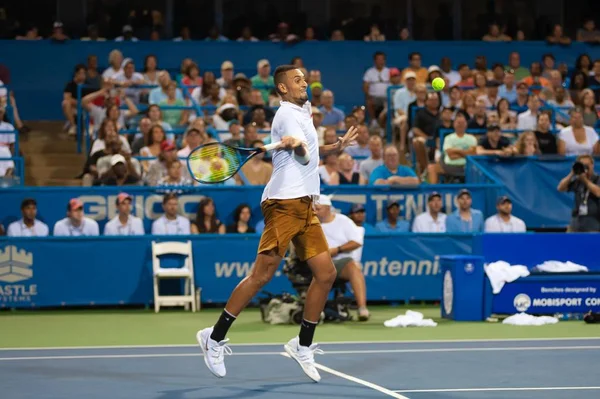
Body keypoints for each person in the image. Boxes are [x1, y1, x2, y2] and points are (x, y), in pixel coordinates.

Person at [196, 65, 358, 382]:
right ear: (282, 88)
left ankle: (302, 345)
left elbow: (308, 152)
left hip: (306, 204)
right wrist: (294, 146)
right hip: (283, 203)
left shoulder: (304, 110)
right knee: (261, 276)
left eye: (304, 79)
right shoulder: (284, 115)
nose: (304, 82)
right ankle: (213, 338)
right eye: (297, 80)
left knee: (326, 274)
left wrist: (333, 147)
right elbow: (300, 155)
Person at [314, 195, 369, 321]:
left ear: (328, 208)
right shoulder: (311, 223)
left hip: (339, 263)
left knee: (352, 266)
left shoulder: (343, 221)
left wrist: (337, 250)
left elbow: (357, 242)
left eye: (318, 209)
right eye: (314, 209)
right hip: (317, 264)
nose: (315, 212)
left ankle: (362, 308)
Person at [557, 155, 600, 232]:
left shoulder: (597, 179)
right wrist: (572, 173)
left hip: (593, 220)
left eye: (587, 165)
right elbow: (560, 188)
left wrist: (585, 180)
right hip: (577, 220)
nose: (585, 168)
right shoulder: (578, 181)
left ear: (592, 165)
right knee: (569, 241)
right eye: (582, 165)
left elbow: (598, 192)